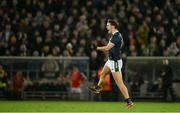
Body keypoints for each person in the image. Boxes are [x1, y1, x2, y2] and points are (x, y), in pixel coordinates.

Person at [88, 19, 133, 108]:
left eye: (108, 25)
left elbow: (107, 48)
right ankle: (98, 88)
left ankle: (129, 101)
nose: (106, 26)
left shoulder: (116, 36)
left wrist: (96, 48)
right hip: (111, 60)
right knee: (103, 74)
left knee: (119, 83)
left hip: (115, 62)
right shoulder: (115, 35)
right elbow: (114, 46)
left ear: (113, 26)